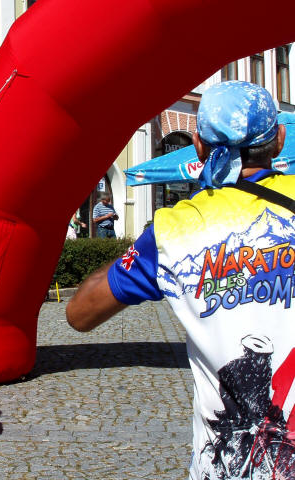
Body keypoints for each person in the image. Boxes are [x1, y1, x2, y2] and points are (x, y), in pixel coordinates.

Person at [66, 81, 295, 480]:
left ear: (199, 146)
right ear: (279, 138)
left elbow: (79, 313)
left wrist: (144, 253)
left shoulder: (175, 230)